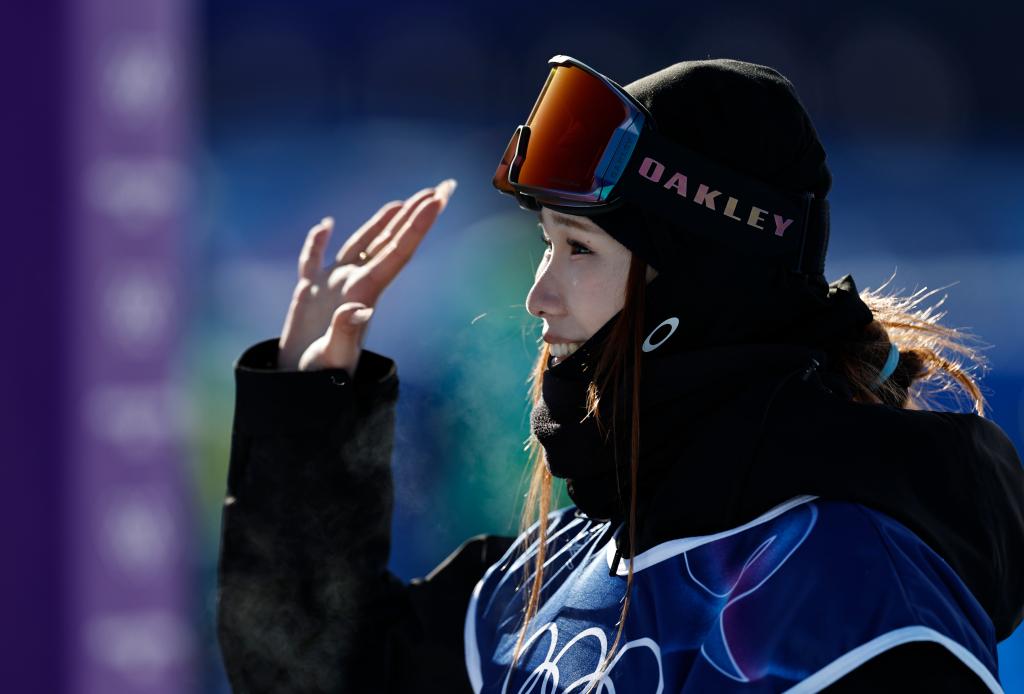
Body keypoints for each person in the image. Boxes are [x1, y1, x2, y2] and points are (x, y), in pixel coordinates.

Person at [216, 55, 1024, 693]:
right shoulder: (557, 571)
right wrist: (305, 416)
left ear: (700, 285)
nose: (538, 295)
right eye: (546, 242)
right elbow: (319, 670)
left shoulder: (850, 599)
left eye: (580, 248)